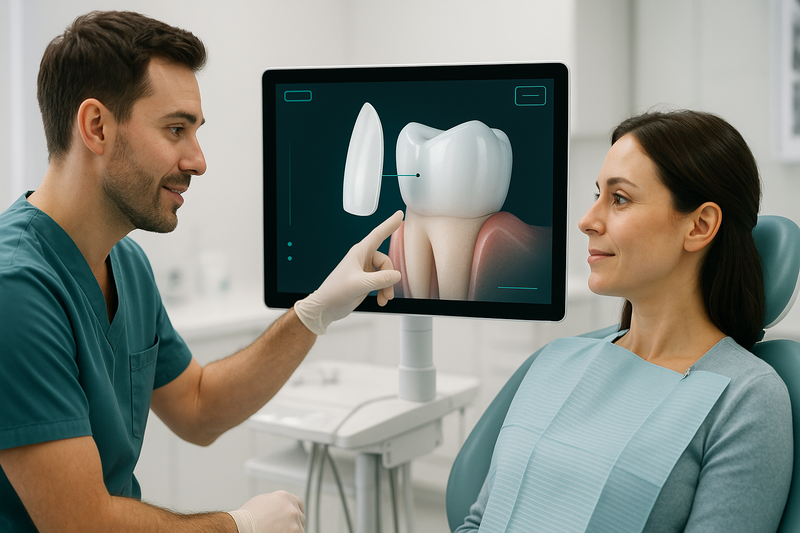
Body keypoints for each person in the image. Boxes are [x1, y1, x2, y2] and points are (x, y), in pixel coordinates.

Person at [0, 11, 403, 533]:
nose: (199, 160)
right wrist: (241, 526)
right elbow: (82, 523)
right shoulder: (16, 288)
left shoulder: (126, 264)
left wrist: (313, 312)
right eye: (176, 129)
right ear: (96, 127)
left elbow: (198, 406)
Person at [454, 110, 793, 532]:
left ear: (700, 225)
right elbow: (479, 522)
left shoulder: (745, 399)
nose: (586, 220)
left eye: (619, 199)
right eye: (598, 194)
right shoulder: (556, 361)